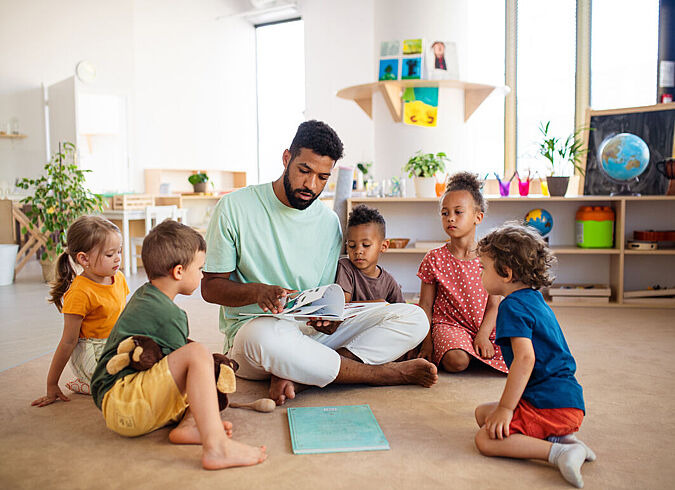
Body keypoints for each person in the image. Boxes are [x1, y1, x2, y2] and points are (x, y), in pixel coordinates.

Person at [201, 120, 437, 406]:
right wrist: (257, 292)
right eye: (304, 171)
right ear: (287, 158)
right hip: (257, 333)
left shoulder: (328, 224)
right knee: (261, 338)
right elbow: (211, 288)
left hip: (310, 337)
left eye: (322, 178)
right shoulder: (234, 208)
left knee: (413, 318)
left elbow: (326, 296)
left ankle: (301, 376)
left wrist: (329, 318)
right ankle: (379, 374)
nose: (311, 185)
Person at [90, 220, 266, 470]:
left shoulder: (145, 296)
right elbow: (184, 372)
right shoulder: (168, 314)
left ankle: (190, 425)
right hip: (123, 404)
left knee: (198, 364)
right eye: (200, 268)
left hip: (120, 403)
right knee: (197, 355)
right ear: (179, 271)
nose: (203, 274)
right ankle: (217, 447)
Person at [473, 223, 595, 488]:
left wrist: (506, 409)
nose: (480, 273)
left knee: (484, 439)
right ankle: (560, 438)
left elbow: (525, 359)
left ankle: (559, 452)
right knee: (483, 413)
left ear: (505, 273)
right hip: (567, 401)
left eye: (483, 267)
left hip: (550, 405)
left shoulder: (512, 307)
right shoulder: (533, 298)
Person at [32, 216, 129, 406]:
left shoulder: (118, 277)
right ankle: (87, 382)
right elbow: (68, 341)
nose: (118, 258)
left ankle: (93, 383)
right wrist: (51, 384)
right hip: (92, 353)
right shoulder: (79, 293)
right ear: (84, 259)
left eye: (119, 251)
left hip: (115, 342)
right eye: (110, 254)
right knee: (128, 383)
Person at [417, 172, 508, 374]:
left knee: (524, 351)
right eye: (445, 213)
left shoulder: (491, 257)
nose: (450, 218)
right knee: (457, 362)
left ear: (478, 216)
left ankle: (472, 347)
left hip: (484, 325)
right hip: (448, 325)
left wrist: (483, 335)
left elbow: (494, 305)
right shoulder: (433, 258)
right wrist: (427, 343)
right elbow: (425, 305)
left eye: (458, 212)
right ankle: (460, 349)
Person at [335, 204, 404, 304]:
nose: (358, 251)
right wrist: (379, 304)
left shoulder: (389, 281)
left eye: (366, 245)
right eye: (352, 245)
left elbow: (402, 309)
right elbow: (343, 306)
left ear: (384, 246)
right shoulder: (345, 267)